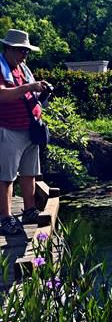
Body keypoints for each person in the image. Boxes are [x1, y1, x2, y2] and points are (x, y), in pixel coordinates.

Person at [0, 29, 51, 235]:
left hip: (29, 129)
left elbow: (31, 96)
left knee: (29, 173)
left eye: (26, 52)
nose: (25, 55)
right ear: (9, 48)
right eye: (22, 51)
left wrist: (42, 92)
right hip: (9, 129)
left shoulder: (23, 69)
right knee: (6, 177)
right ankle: (6, 218)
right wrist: (30, 86)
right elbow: (2, 95)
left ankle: (30, 210)